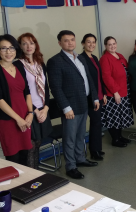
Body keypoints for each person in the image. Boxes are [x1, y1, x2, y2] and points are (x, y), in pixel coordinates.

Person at [47, 30, 99, 180]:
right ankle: (71, 166)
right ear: (60, 43)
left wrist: (94, 98)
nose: (70, 43)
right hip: (70, 106)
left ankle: (80, 159)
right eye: (66, 40)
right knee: (69, 137)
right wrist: (66, 107)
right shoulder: (55, 61)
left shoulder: (79, 58)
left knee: (80, 135)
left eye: (72, 40)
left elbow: (88, 79)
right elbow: (55, 87)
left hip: (83, 103)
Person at [0, 35, 33, 166]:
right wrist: (18, 119)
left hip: (25, 117)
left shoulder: (20, 66)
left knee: (25, 156)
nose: (8, 52)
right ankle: (16, 186)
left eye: (11, 48)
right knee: (13, 159)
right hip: (9, 121)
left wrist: (30, 113)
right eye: (4, 48)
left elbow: (27, 92)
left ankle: (26, 185)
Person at [15, 33, 52, 169]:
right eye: (24, 43)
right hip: (29, 110)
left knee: (38, 144)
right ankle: (32, 178)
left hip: (43, 109)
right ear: (20, 47)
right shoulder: (18, 65)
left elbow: (46, 87)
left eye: (31, 43)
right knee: (30, 146)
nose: (28, 46)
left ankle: (36, 174)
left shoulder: (40, 64)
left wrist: (46, 108)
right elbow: (22, 91)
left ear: (35, 45)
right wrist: (35, 110)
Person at [100, 36, 134, 148]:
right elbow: (106, 77)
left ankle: (120, 137)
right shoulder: (105, 58)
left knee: (120, 116)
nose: (112, 46)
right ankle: (115, 139)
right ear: (105, 46)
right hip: (113, 93)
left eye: (114, 43)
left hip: (124, 90)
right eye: (109, 44)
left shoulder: (120, 56)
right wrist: (115, 92)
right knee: (114, 117)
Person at [80, 34, 107, 161]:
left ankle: (97, 149)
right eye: (88, 42)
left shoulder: (94, 58)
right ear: (83, 44)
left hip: (100, 95)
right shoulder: (81, 59)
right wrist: (95, 97)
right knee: (95, 123)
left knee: (97, 123)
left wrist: (104, 94)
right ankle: (93, 151)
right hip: (91, 97)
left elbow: (99, 78)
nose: (91, 44)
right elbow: (86, 81)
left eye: (93, 42)